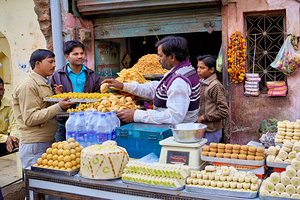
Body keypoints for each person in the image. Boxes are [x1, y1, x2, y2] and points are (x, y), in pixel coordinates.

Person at [103, 36, 200, 124]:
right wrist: (123, 86)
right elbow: (156, 88)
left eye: (161, 56)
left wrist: (136, 115)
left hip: (178, 135)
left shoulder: (179, 81)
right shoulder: (185, 69)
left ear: (172, 57)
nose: (158, 59)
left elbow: (173, 117)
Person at [12, 49, 76, 169]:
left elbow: (44, 108)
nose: (54, 65)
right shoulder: (28, 86)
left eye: (54, 62)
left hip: (44, 141)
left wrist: (57, 98)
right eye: (50, 62)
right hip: (34, 144)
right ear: (38, 64)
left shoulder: (44, 83)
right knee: (37, 183)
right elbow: (30, 118)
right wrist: (58, 106)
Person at [50, 40, 101, 142]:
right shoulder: (57, 75)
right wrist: (58, 95)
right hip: (65, 124)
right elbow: (51, 101)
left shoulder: (92, 75)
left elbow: (99, 97)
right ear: (67, 57)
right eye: (75, 54)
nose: (80, 56)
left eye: (82, 53)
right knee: (65, 155)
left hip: (88, 123)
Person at [196, 55, 229, 144]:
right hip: (201, 129)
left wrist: (204, 117)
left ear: (211, 70)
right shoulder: (200, 83)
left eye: (202, 68)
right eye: (198, 67)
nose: (198, 70)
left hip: (211, 131)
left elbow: (224, 112)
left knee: (208, 156)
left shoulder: (215, 86)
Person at [0, 78, 19, 154]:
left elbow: (14, 124)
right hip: (4, 139)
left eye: (0, 89)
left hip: (4, 140)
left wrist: (13, 138)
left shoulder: (9, 103)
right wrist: (6, 138)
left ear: (4, 91)